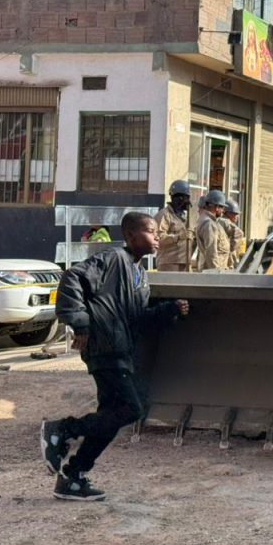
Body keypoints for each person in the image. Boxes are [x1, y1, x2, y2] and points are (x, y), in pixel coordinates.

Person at [41, 212, 190, 501]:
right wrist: (80, 323)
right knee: (131, 409)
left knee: (109, 417)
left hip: (121, 351)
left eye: (158, 232)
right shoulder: (112, 259)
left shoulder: (140, 276)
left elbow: (136, 319)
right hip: (105, 349)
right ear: (131, 236)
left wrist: (170, 310)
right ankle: (62, 429)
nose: (157, 236)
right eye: (151, 231)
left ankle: (73, 477)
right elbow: (72, 278)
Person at [156, 179, 195, 272]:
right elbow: (158, 238)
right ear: (179, 198)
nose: (188, 202)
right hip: (169, 263)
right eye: (187, 198)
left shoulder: (185, 217)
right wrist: (177, 237)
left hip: (185, 262)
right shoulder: (164, 215)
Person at [196, 189, 231, 271]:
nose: (223, 211)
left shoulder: (210, 221)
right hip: (213, 272)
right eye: (222, 207)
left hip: (214, 269)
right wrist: (216, 273)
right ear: (217, 207)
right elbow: (211, 252)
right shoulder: (209, 224)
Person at [220, 199, 246, 269]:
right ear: (228, 213)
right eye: (235, 214)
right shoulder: (226, 222)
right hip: (227, 259)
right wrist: (229, 248)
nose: (237, 216)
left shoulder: (218, 220)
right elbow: (240, 233)